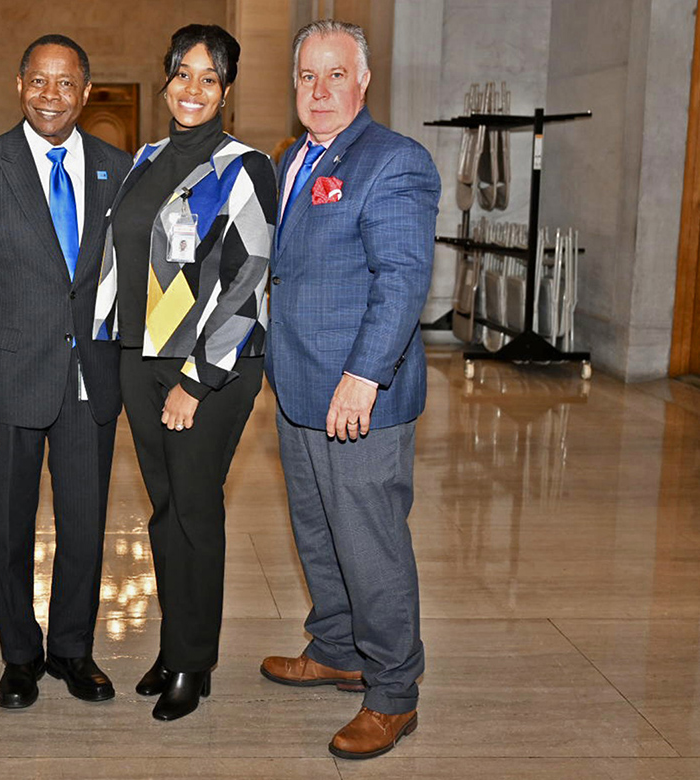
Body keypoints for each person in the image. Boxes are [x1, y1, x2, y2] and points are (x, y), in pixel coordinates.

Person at [260, 20, 440, 759]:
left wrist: (364, 377)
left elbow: (402, 279)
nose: (320, 89)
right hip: (299, 385)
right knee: (318, 531)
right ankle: (338, 646)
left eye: (336, 74)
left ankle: (394, 691)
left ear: (364, 80)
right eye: (308, 75)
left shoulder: (394, 160)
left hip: (358, 395)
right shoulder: (291, 158)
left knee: (370, 544)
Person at [93, 24, 277, 722]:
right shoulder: (144, 159)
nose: (192, 88)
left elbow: (248, 280)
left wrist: (196, 381)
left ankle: (193, 664)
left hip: (209, 370)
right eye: (181, 74)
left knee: (195, 511)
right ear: (165, 80)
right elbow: (123, 257)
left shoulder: (245, 166)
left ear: (226, 90)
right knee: (166, 510)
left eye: (209, 77)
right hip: (141, 357)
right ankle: (174, 647)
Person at [0, 35, 132, 710]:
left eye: (66, 83)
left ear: (86, 92)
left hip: (90, 380)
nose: (51, 95)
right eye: (39, 81)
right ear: (20, 85)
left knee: (85, 526)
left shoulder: (118, 169)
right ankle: (19, 656)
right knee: (7, 529)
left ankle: (73, 650)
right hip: (6, 383)